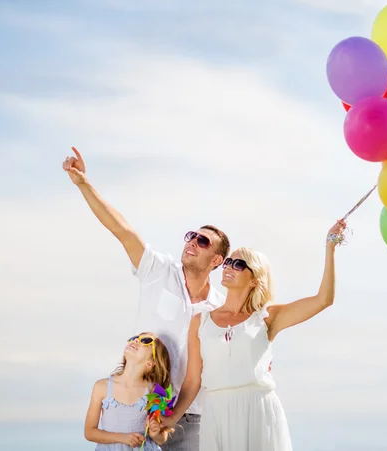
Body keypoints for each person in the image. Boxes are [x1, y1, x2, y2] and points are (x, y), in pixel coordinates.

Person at [63, 147, 230, 451]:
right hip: (139, 407)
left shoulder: (220, 307)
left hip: (193, 416)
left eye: (203, 240)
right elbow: (122, 229)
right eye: (191, 235)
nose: (193, 241)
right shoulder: (158, 270)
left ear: (217, 260)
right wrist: (84, 184)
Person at [160, 220, 346, 451]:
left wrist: (330, 247)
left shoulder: (267, 317)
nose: (228, 267)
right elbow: (192, 380)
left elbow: (323, 300)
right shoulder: (201, 320)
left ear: (255, 279)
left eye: (239, 264)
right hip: (216, 413)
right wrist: (172, 417)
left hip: (258, 409)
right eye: (228, 262)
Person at [84, 332, 172, 450]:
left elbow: (162, 439)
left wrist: (155, 433)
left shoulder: (154, 392)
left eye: (146, 341)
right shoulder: (102, 387)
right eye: (135, 338)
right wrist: (122, 438)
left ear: (151, 363)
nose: (136, 341)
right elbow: (89, 432)